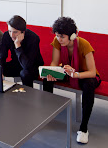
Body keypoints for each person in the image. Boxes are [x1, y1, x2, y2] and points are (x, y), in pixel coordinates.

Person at [42, 17, 101, 145]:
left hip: (85, 75)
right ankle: (47, 115)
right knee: (47, 79)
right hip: (68, 71)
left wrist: (76, 74)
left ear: (73, 35)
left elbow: (92, 72)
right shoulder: (57, 41)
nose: (59, 39)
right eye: (57, 36)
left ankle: (83, 128)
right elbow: (54, 62)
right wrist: (51, 72)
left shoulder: (84, 45)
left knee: (89, 85)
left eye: (62, 36)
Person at [0, 15, 43, 86]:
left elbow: (27, 66)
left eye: (15, 32)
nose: (12, 35)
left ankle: (27, 95)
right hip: (16, 64)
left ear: (23, 32)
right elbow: (1, 56)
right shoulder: (6, 35)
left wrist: (18, 45)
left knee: (25, 73)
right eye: (10, 31)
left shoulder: (33, 38)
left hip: (32, 67)